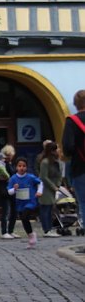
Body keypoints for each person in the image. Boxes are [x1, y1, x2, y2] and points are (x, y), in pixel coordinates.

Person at [7, 157, 43, 249]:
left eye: (24, 166)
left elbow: (40, 183)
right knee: (23, 219)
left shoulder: (30, 177)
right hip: (20, 203)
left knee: (24, 216)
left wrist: (39, 191)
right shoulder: (13, 178)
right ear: (16, 167)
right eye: (19, 166)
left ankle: (31, 236)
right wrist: (14, 189)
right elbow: (9, 192)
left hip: (30, 201)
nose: (21, 168)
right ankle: (31, 235)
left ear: (26, 167)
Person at [62, 90, 85, 233]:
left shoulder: (72, 122)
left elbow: (68, 148)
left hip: (81, 168)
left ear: (76, 105)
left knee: (83, 202)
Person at [0, 145, 18, 238]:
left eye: (10, 154)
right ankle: (4, 231)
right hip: (4, 190)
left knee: (14, 211)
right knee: (6, 211)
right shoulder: (1, 164)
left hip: (13, 190)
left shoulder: (11, 164)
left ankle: (11, 230)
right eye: (7, 154)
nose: (9, 156)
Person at [38, 141, 62, 237]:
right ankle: (47, 229)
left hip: (54, 187)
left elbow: (59, 174)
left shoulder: (56, 162)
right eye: (56, 149)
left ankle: (50, 228)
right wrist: (53, 186)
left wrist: (58, 185)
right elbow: (43, 177)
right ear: (52, 151)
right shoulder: (45, 162)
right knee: (45, 209)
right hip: (45, 188)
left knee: (50, 209)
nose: (58, 151)